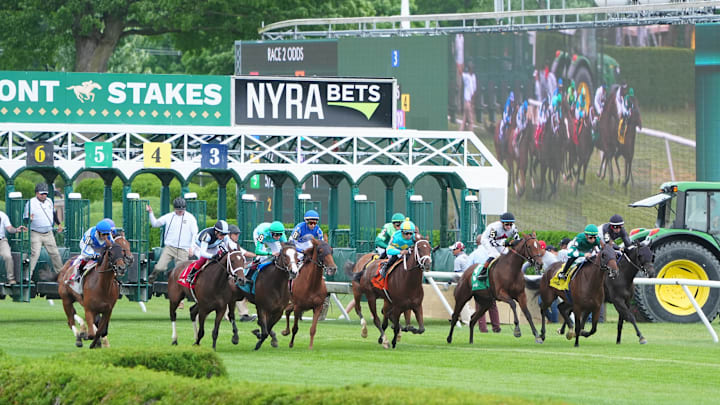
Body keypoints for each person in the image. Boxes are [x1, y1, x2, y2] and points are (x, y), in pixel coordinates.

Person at [146, 197, 199, 283]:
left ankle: (175, 285)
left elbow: (195, 233)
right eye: (179, 210)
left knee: (181, 272)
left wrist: (191, 247)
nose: (181, 212)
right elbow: (155, 224)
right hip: (170, 248)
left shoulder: (190, 218)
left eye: (182, 210)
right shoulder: (169, 216)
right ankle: (152, 277)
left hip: (183, 249)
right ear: (174, 209)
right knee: (160, 267)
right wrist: (151, 213)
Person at [23, 183, 64, 280]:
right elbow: (25, 219)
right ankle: (28, 276)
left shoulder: (49, 201)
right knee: (35, 254)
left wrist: (58, 224)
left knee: (55, 253)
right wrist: (30, 219)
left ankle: (62, 274)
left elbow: (53, 214)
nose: (44, 196)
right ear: (37, 193)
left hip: (48, 232)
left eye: (45, 194)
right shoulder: (31, 203)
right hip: (36, 232)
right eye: (42, 194)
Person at [467, 233, 501, 333]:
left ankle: (483, 328)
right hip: (492, 282)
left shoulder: (474, 254)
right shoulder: (492, 252)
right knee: (492, 304)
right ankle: (496, 327)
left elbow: (468, 269)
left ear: (477, 243)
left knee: (480, 305)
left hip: (479, 282)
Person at [68, 219, 115, 284]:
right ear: (98, 232)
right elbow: (85, 249)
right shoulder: (90, 234)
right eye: (103, 234)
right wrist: (93, 254)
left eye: (107, 234)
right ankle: (78, 273)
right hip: (88, 245)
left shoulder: (108, 234)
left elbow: (112, 246)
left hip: (99, 246)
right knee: (86, 257)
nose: (105, 236)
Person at [226, 224, 257, 322]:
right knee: (238, 287)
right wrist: (259, 255)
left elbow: (246, 253)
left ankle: (241, 314)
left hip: (237, 270)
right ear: (229, 234)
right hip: (231, 272)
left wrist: (257, 256)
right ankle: (242, 314)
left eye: (238, 234)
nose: (237, 236)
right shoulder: (229, 244)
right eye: (235, 234)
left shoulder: (235, 244)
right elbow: (246, 254)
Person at [185, 220, 230, 284]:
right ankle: (191, 275)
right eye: (221, 234)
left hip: (212, 246)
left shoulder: (225, 236)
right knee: (203, 259)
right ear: (216, 231)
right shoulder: (208, 235)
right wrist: (212, 256)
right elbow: (203, 253)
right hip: (199, 246)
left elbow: (228, 248)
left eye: (225, 234)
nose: (223, 237)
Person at [477, 212, 520, 280]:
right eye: (507, 224)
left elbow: (518, 240)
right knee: (494, 255)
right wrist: (506, 244)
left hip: (499, 240)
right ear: (502, 223)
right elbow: (492, 242)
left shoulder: (514, 228)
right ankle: (483, 272)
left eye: (510, 224)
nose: (509, 226)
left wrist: (514, 243)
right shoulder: (494, 228)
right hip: (487, 240)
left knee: (506, 254)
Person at [0, 209, 27, 285]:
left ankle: (11, 278)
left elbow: (9, 228)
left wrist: (16, 230)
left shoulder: (3, 215)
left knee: (8, 256)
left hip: (1, 241)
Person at [460, 61, 477, 131]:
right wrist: (460, 64)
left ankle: (460, 132)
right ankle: (470, 133)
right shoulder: (466, 76)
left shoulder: (474, 77)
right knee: (470, 120)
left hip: (471, 99)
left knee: (464, 118)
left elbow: (474, 89)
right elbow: (460, 72)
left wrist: (473, 100)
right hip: (467, 100)